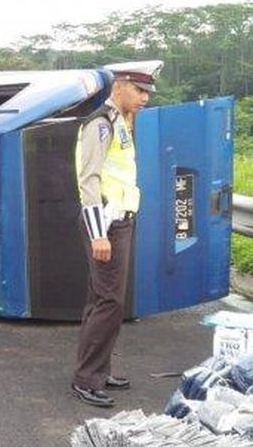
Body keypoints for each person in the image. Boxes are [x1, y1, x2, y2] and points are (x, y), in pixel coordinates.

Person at [71, 60, 164, 408]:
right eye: (139, 90)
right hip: (106, 224)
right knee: (110, 302)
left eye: (147, 93)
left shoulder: (122, 121)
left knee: (101, 300)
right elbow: (89, 180)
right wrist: (99, 234)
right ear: (120, 85)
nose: (145, 98)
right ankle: (86, 379)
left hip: (119, 219)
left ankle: (96, 369)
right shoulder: (101, 124)